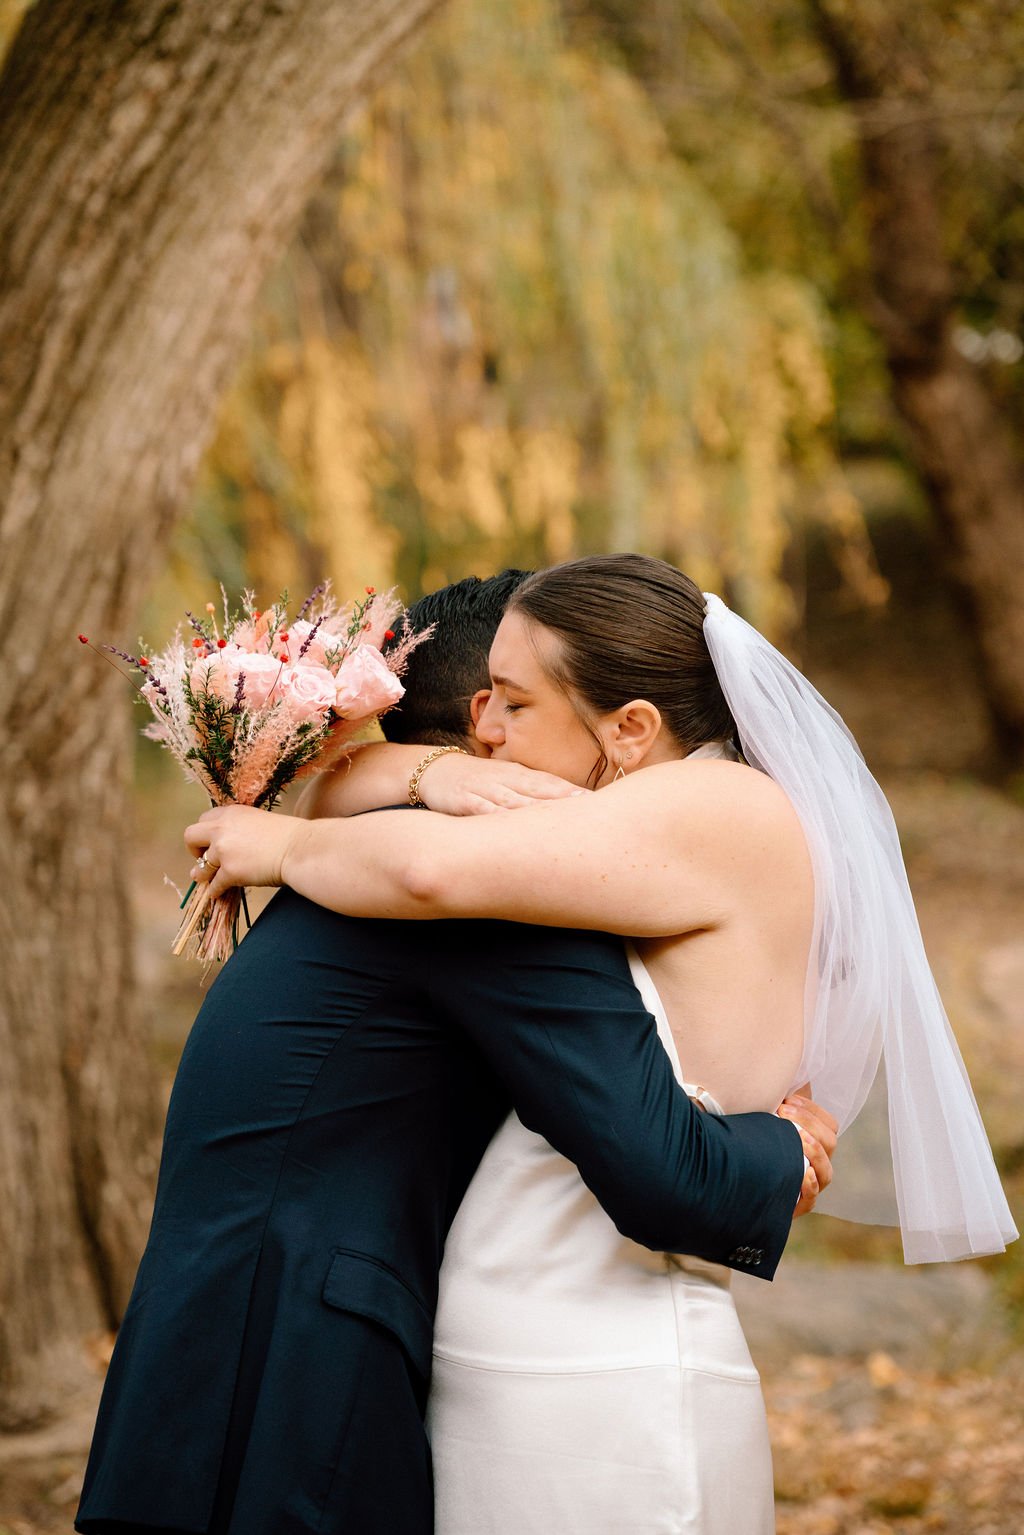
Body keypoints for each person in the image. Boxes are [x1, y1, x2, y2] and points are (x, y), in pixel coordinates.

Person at [191, 553, 1017, 1534]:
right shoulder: (651, 817)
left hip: (596, 1361)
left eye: (513, 702)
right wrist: (433, 770)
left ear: (629, 728)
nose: (484, 727)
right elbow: (362, 790)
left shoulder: (713, 808)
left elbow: (423, 872)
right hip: (537, 1333)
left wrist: (278, 845)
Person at [77, 571, 832, 1535]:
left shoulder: (397, 865)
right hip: (294, 1398)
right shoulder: (479, 893)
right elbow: (667, 1177)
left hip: (217, 1380)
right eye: (493, 700)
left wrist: (344, 804)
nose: (495, 723)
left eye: (517, 703)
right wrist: (782, 1151)